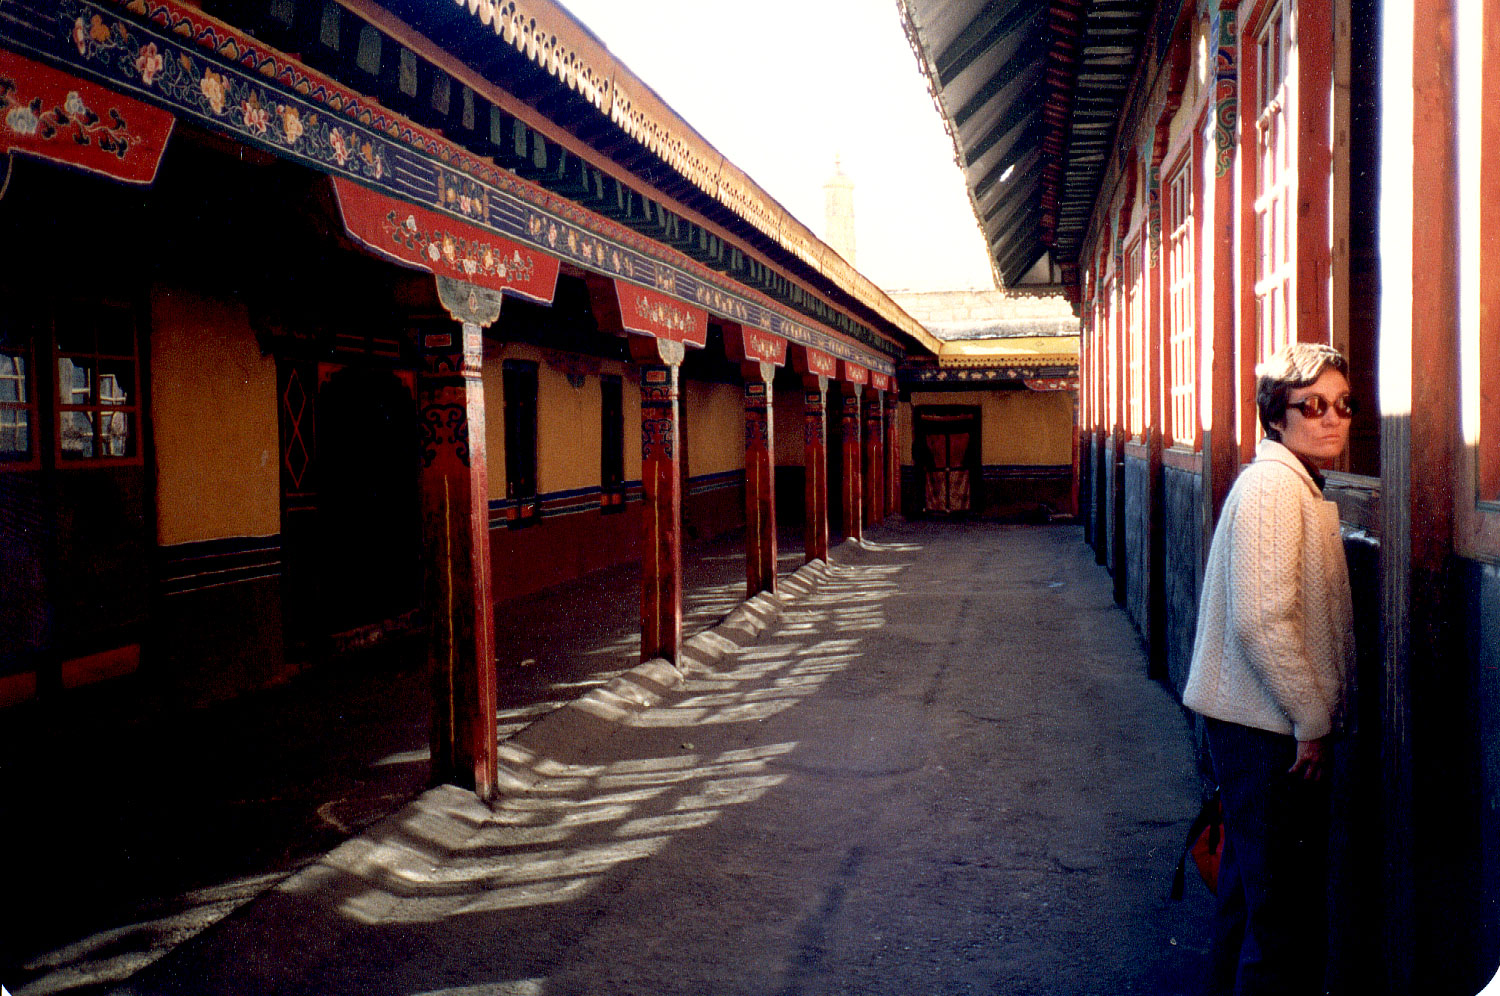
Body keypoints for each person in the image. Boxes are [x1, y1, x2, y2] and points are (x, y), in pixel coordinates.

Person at [1182, 342, 1357, 996]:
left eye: (1343, 404)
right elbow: (1262, 618)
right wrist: (1312, 719)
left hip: (1259, 727)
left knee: (1250, 901)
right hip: (1268, 736)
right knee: (1281, 923)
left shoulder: (1292, 483)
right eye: (1312, 405)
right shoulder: (1274, 488)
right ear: (1276, 416)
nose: (1331, 418)